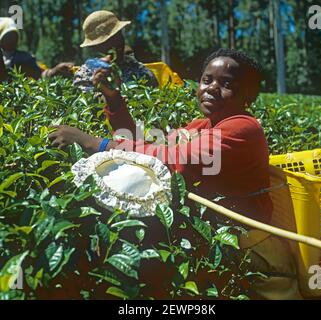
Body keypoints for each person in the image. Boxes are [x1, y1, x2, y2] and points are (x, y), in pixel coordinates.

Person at [49, 48, 302, 299]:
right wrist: (114, 100)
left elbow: (174, 160)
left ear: (247, 96)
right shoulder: (202, 125)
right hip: (225, 243)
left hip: (257, 258)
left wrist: (94, 143)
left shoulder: (243, 128)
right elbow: (146, 149)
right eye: (206, 80)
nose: (212, 88)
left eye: (226, 84)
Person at [73, 10, 158, 91]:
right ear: (96, 47)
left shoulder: (138, 69)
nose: (116, 44)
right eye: (107, 41)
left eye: (117, 36)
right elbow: (91, 103)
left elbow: (155, 97)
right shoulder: (85, 74)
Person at [0, 17, 73, 80]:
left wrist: (55, 70)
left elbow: (40, 74)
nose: (11, 39)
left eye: (13, 35)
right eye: (8, 35)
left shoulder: (23, 58)